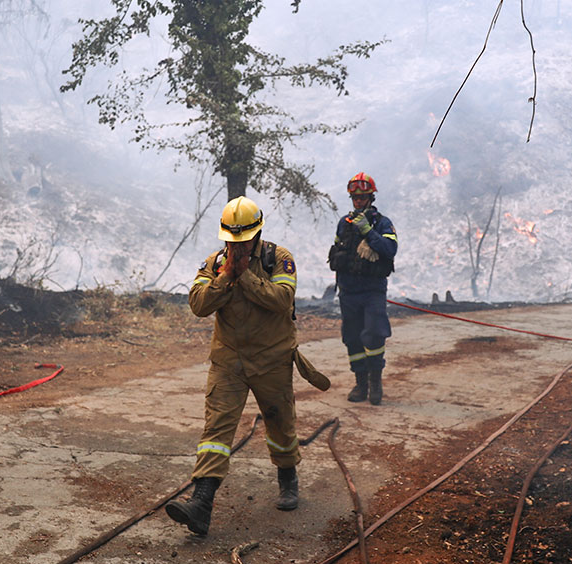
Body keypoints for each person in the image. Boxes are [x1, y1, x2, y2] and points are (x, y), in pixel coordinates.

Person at [166, 195, 308, 536]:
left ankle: (287, 477)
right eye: (231, 241)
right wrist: (226, 275)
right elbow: (198, 304)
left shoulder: (279, 259)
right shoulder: (215, 263)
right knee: (216, 431)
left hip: (272, 360)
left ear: (257, 235)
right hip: (229, 361)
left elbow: (281, 300)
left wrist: (244, 277)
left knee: (280, 424)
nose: (237, 247)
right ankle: (201, 503)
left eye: (242, 241)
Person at [327, 172, 398, 406]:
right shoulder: (343, 224)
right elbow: (337, 251)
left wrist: (369, 232)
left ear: (371, 198)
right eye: (354, 198)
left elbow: (390, 249)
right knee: (352, 338)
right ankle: (361, 382)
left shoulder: (383, 223)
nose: (358, 202)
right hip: (348, 291)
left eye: (362, 197)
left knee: (375, 333)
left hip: (372, 291)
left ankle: (376, 381)